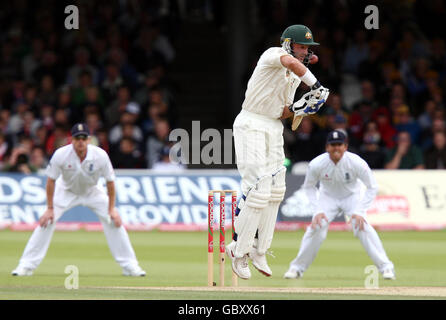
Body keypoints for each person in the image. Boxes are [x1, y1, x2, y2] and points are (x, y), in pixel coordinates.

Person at [225, 24, 329, 280]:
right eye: (301, 46)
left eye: (308, 48)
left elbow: (285, 111)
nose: (305, 52)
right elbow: (292, 64)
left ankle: (260, 249)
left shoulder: (294, 76)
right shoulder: (273, 54)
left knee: (276, 187)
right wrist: (316, 85)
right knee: (258, 188)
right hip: (251, 122)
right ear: (288, 44)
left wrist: (301, 108)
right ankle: (238, 250)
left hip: (273, 126)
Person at [11, 123, 146, 277]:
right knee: (46, 221)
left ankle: (130, 266)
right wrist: (50, 208)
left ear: (89, 140)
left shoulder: (100, 155)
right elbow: (51, 181)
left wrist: (112, 209)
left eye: (83, 138)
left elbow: (110, 182)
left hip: (92, 191)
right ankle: (26, 266)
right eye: (77, 138)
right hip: (66, 191)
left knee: (114, 221)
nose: (80, 141)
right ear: (71, 139)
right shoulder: (61, 154)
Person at [283, 130, 395, 280]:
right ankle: (296, 269)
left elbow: (372, 187)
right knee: (316, 227)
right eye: (332, 145)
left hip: (352, 196)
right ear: (327, 147)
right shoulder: (317, 164)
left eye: (339, 145)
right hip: (328, 197)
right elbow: (309, 187)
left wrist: (360, 211)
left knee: (362, 227)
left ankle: (386, 268)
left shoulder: (356, 162)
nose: (336, 148)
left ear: (345, 146)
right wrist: (317, 210)